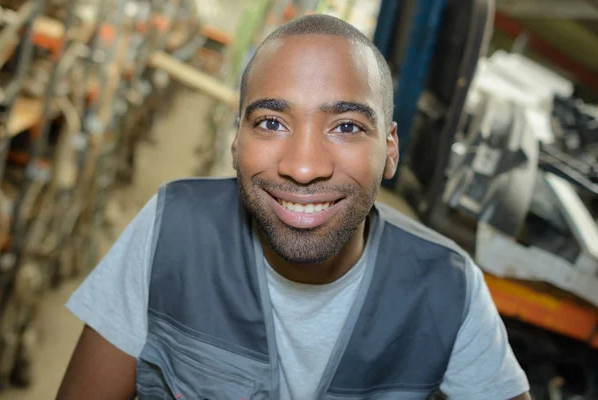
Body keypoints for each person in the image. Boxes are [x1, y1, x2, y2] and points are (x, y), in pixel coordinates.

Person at [57, 14, 531, 400]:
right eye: (271, 122)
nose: (304, 168)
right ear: (236, 140)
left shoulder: (448, 288)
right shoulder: (172, 227)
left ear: (389, 150)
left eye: (346, 127)